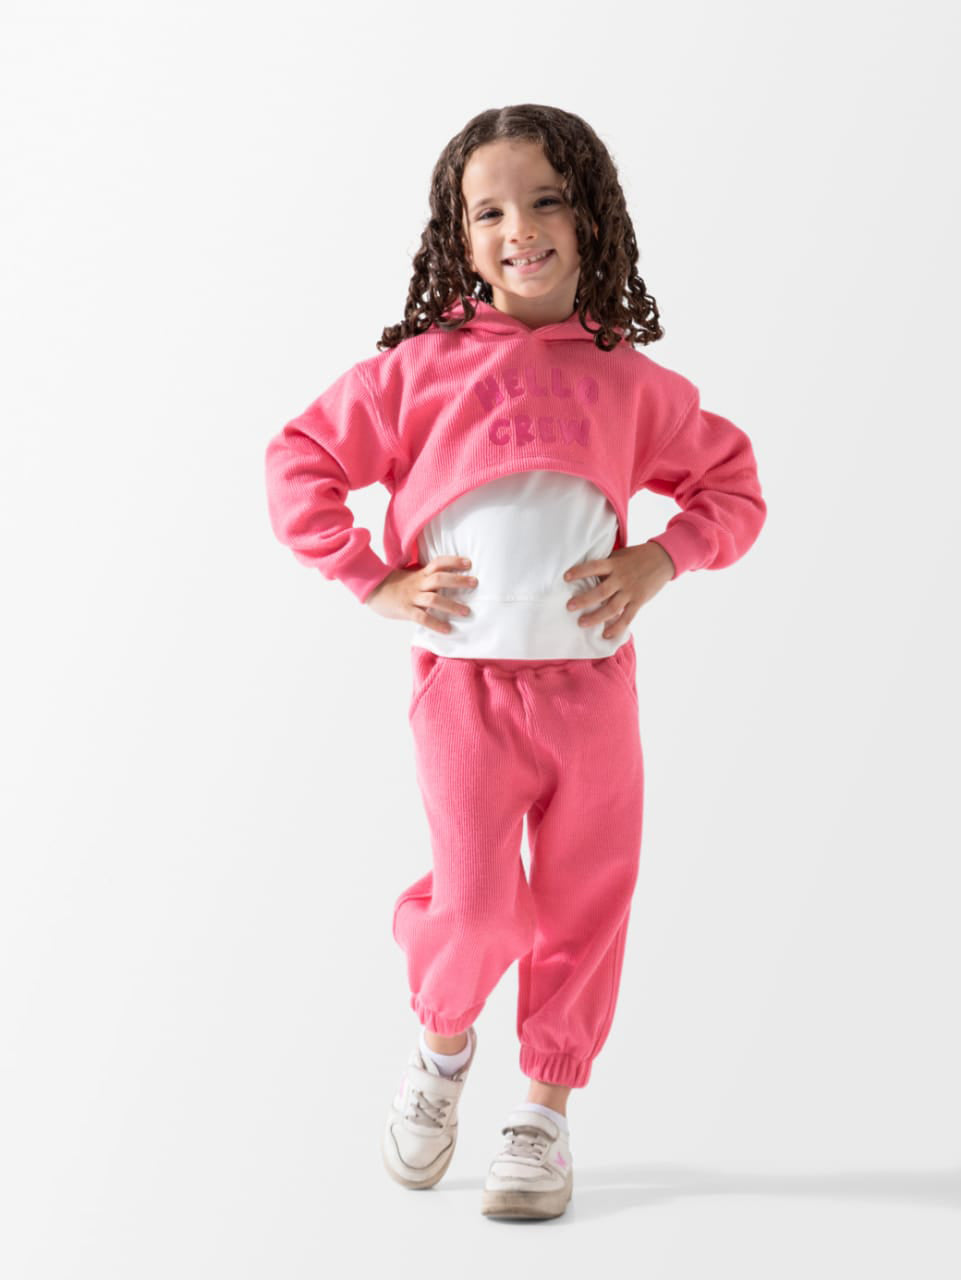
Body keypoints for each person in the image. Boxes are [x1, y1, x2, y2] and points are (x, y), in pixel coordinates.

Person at [264, 103, 767, 1221]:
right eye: (488, 211)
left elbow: (732, 485)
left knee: (588, 898)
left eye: (545, 201)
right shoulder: (420, 370)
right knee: (480, 908)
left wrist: (662, 558)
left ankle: (543, 1113)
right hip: (466, 693)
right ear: (458, 234)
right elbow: (298, 459)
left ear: (593, 219)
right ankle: (442, 1046)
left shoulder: (628, 381)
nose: (519, 229)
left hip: (593, 693)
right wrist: (370, 577)